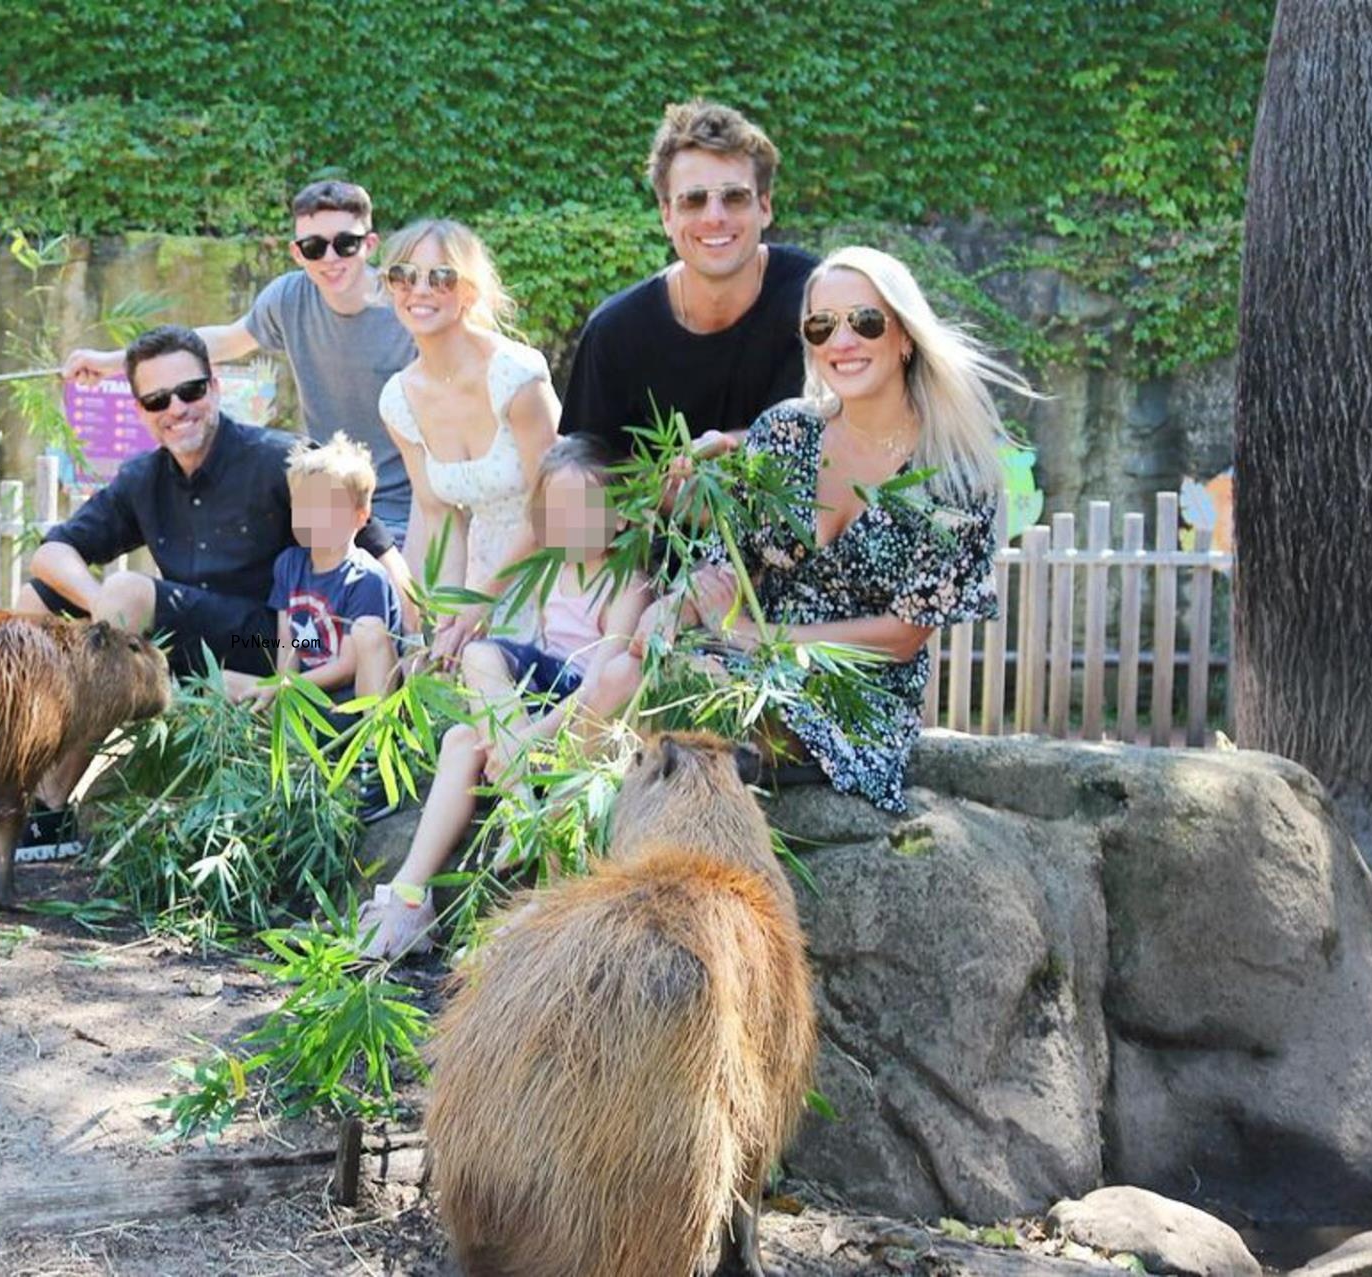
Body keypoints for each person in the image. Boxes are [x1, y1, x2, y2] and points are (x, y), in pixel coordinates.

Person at [0, 325, 409, 855]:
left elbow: (368, 528)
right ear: (140, 410)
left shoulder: (273, 456)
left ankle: (52, 808)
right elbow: (50, 552)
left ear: (215, 387)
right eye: (157, 399)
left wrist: (414, 612)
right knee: (40, 599)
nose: (177, 408)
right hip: (180, 646)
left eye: (190, 391)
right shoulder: (143, 479)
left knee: (127, 591)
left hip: (267, 643)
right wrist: (98, 603)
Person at [634, 245, 1038, 813]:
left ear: (904, 337)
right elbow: (732, 554)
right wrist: (686, 596)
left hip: (850, 695)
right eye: (822, 326)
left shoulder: (955, 478)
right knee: (635, 661)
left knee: (691, 689)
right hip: (737, 651)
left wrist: (764, 639)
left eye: (864, 321)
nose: (842, 341)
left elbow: (902, 637)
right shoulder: (786, 432)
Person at [432, 100, 815, 660]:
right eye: (693, 200)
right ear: (665, 214)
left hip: (798, 589)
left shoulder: (818, 304)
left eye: (734, 196)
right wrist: (479, 602)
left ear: (766, 206)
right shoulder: (617, 334)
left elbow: (839, 456)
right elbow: (570, 484)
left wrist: (736, 452)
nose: (715, 217)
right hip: (654, 604)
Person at [357, 438, 650, 959]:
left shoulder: (625, 583)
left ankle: (525, 821)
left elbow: (600, 684)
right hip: (539, 713)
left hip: (585, 718)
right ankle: (410, 894)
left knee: (482, 671)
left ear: (622, 518)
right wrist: (516, 734)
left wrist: (529, 737)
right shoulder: (552, 571)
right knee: (460, 738)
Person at [62, 180, 416, 538]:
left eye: (345, 244)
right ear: (297, 253)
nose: (330, 259)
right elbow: (224, 341)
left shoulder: (408, 309)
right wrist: (111, 362)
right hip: (326, 499)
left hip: (406, 508)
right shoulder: (289, 297)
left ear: (369, 245)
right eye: (314, 247)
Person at [376, 219, 558, 614]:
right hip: (481, 577)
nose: (420, 289)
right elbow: (442, 521)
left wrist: (480, 607)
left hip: (557, 570)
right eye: (403, 276)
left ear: (469, 292)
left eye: (441, 277)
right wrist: (446, 616)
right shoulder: (398, 400)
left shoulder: (516, 377)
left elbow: (551, 508)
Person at [222, 434, 401, 725]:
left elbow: (348, 666)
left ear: (360, 515)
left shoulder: (366, 578)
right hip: (303, 694)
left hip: (349, 701)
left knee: (369, 631)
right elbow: (288, 642)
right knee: (219, 681)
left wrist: (286, 687)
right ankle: (285, 737)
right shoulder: (289, 564)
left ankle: (369, 751)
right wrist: (283, 690)